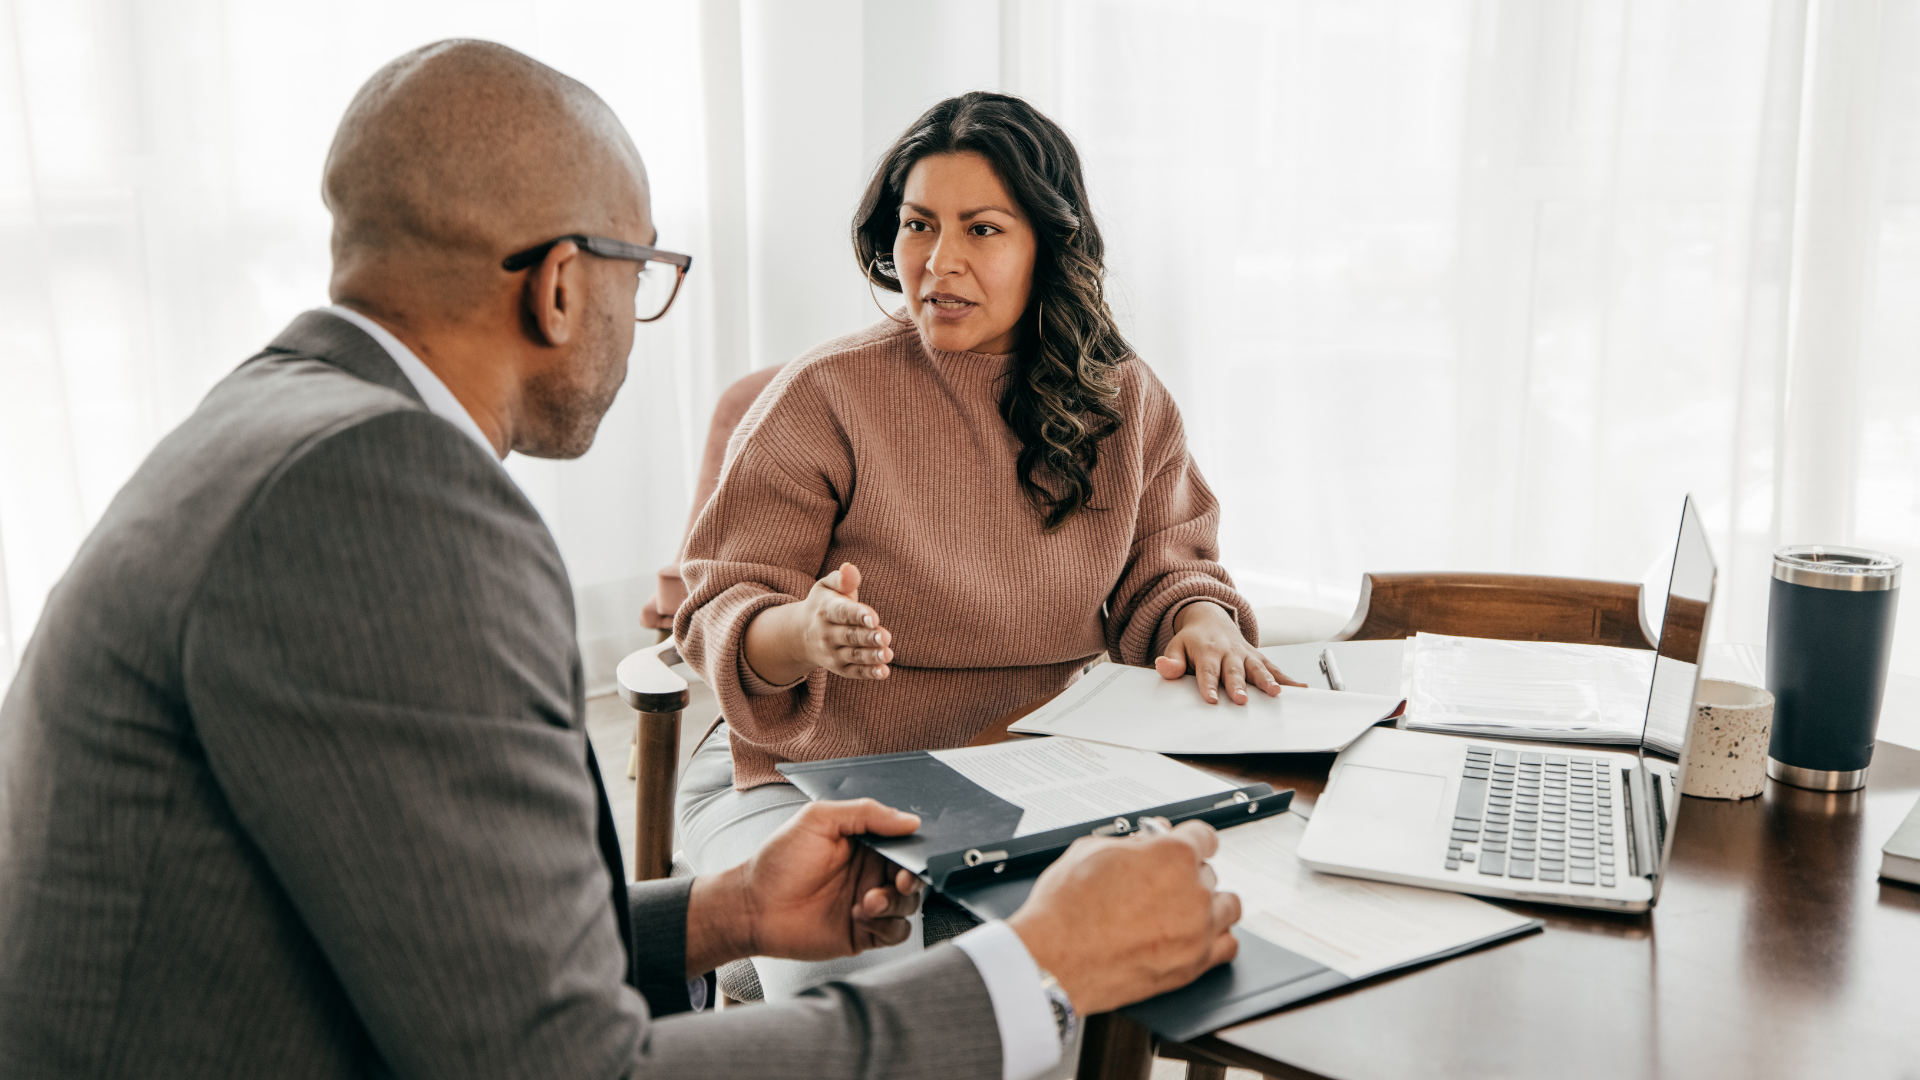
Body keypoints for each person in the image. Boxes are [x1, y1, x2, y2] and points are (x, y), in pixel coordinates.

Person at [0, 43, 1241, 1080]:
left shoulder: (284, 424)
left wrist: (727, 914)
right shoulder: (385, 500)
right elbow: (571, 1066)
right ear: (557, 286)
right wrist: (1033, 973)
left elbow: (461, 943)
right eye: (642, 273)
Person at [675, 91, 1295, 999]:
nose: (940, 261)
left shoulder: (1123, 400)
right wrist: (799, 633)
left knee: (1124, 970)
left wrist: (1198, 619)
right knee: (878, 1012)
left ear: (1048, 243)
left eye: (983, 229)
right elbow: (719, 609)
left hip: (1033, 775)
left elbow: (1170, 564)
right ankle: (761, 981)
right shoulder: (825, 396)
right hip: (813, 776)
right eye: (919, 224)